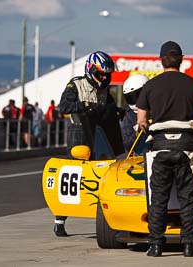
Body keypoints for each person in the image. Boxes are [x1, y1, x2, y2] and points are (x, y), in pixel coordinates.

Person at [137, 41, 193, 257]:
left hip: (159, 147)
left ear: (161, 60)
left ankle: (156, 245)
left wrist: (151, 129)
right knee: (188, 198)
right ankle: (189, 245)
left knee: (158, 198)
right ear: (181, 59)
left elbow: (141, 120)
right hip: (187, 147)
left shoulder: (150, 86)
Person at [54, 51, 124, 237]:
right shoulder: (75, 84)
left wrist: (117, 111)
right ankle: (59, 219)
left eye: (106, 75)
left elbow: (107, 107)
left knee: (104, 172)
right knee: (74, 173)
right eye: (100, 74)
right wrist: (84, 106)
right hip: (79, 134)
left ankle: (109, 216)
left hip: (99, 135)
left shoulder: (105, 90)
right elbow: (64, 107)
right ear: (91, 69)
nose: (104, 77)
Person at [121, 74, 149, 151]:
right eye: (130, 97)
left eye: (136, 96)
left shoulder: (159, 109)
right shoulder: (130, 116)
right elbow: (127, 144)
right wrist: (138, 131)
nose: (133, 100)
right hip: (139, 156)